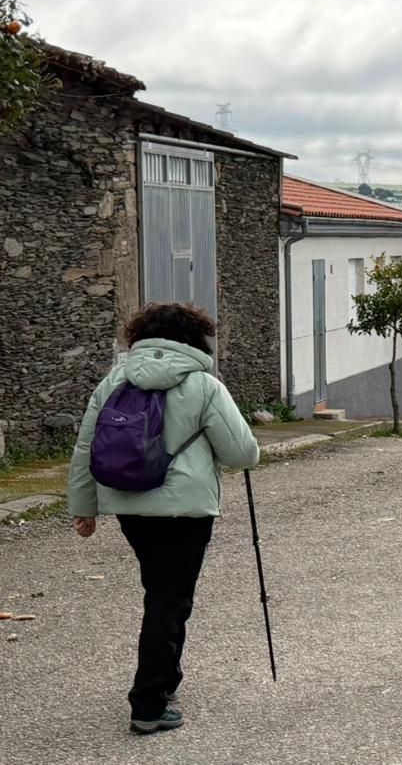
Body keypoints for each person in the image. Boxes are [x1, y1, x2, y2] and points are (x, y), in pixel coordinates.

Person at [66, 302, 262, 735]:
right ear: (195, 339)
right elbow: (243, 453)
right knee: (168, 600)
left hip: (131, 505)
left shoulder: (114, 381)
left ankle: (167, 678)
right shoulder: (203, 386)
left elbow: (85, 447)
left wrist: (84, 508)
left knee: (163, 592)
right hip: (186, 510)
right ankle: (149, 704)